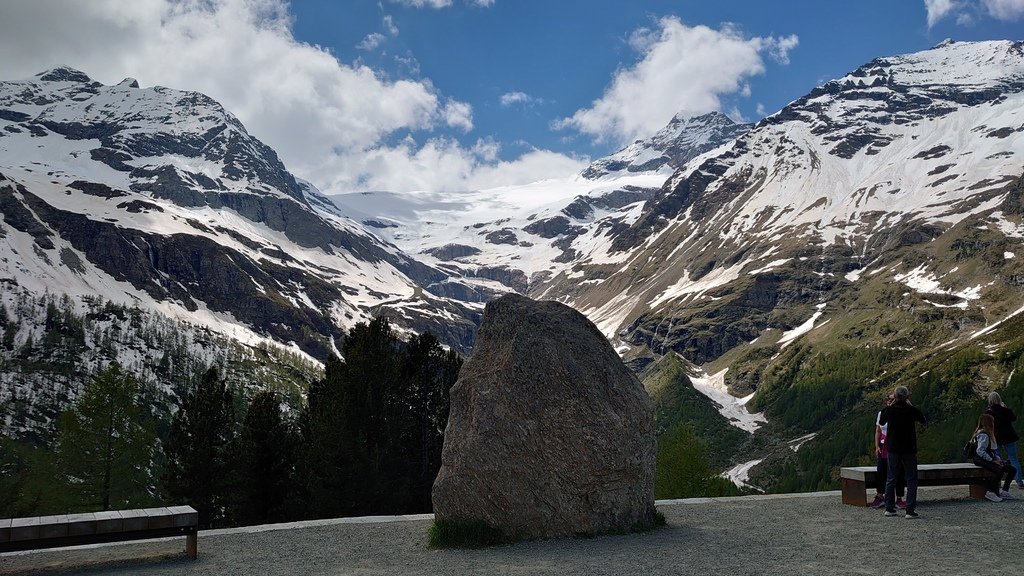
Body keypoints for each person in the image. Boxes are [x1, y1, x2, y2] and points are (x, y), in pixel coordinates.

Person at [878, 385, 926, 519]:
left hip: (893, 448)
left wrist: (890, 405)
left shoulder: (891, 410)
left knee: (891, 477)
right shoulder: (911, 410)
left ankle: (889, 508)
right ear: (906, 397)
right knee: (911, 478)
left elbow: (882, 421)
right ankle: (910, 510)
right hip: (909, 448)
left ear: (895, 396)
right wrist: (911, 405)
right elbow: (923, 419)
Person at [870, 394, 906, 509]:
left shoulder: (901, 412)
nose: (890, 402)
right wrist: (877, 446)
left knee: (899, 471)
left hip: (896, 444)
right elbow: (878, 431)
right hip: (883, 444)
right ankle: (880, 495)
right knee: (881, 470)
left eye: (892, 400)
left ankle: (899, 498)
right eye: (888, 400)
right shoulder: (882, 413)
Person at [972, 413, 1017, 501]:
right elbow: (980, 451)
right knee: (999, 470)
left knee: (1012, 469)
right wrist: (992, 460)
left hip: (987, 458)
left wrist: (998, 460)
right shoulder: (983, 435)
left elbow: (991, 451)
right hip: (980, 459)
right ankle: (990, 492)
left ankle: (1005, 491)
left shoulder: (985, 433)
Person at [984, 392, 1023, 489]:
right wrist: (1005, 407)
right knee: (1014, 459)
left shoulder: (988, 412)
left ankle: (998, 482)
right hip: (1009, 437)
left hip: (996, 438)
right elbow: (1013, 418)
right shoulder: (1005, 410)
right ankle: (1019, 481)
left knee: (997, 460)